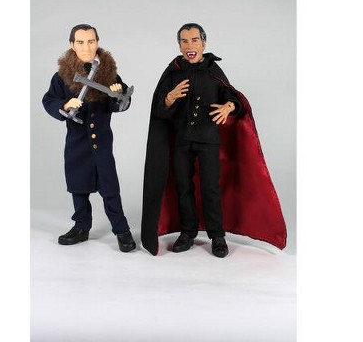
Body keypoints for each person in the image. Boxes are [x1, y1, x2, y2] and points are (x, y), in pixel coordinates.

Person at [141, 23, 287, 257]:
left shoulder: (213, 71)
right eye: (184, 41)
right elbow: (159, 111)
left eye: (194, 40)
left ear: (203, 43)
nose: (190, 45)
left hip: (208, 140)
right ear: (179, 46)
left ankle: (217, 235)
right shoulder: (173, 72)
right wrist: (169, 97)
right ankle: (187, 232)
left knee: (210, 188)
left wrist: (229, 106)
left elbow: (235, 100)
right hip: (182, 141)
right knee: (183, 187)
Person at [42, 24, 136, 252]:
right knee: (78, 185)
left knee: (109, 187)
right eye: (81, 42)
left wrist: (117, 95)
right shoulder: (61, 77)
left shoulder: (108, 75)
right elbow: (49, 100)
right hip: (77, 142)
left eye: (91, 41)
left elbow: (121, 102)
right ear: (72, 45)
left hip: (101, 142)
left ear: (97, 42)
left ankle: (121, 229)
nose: (86, 47)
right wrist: (65, 105)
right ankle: (81, 226)